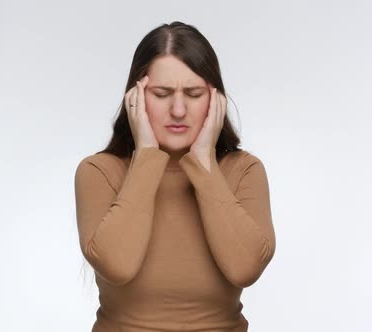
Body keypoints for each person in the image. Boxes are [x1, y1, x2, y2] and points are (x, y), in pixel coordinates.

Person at [74, 21, 276, 332]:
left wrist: (205, 163)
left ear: (216, 100)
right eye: (162, 93)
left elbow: (245, 268)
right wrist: (146, 158)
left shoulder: (243, 171)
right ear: (135, 98)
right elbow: (117, 264)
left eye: (194, 93)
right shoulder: (99, 172)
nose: (178, 110)